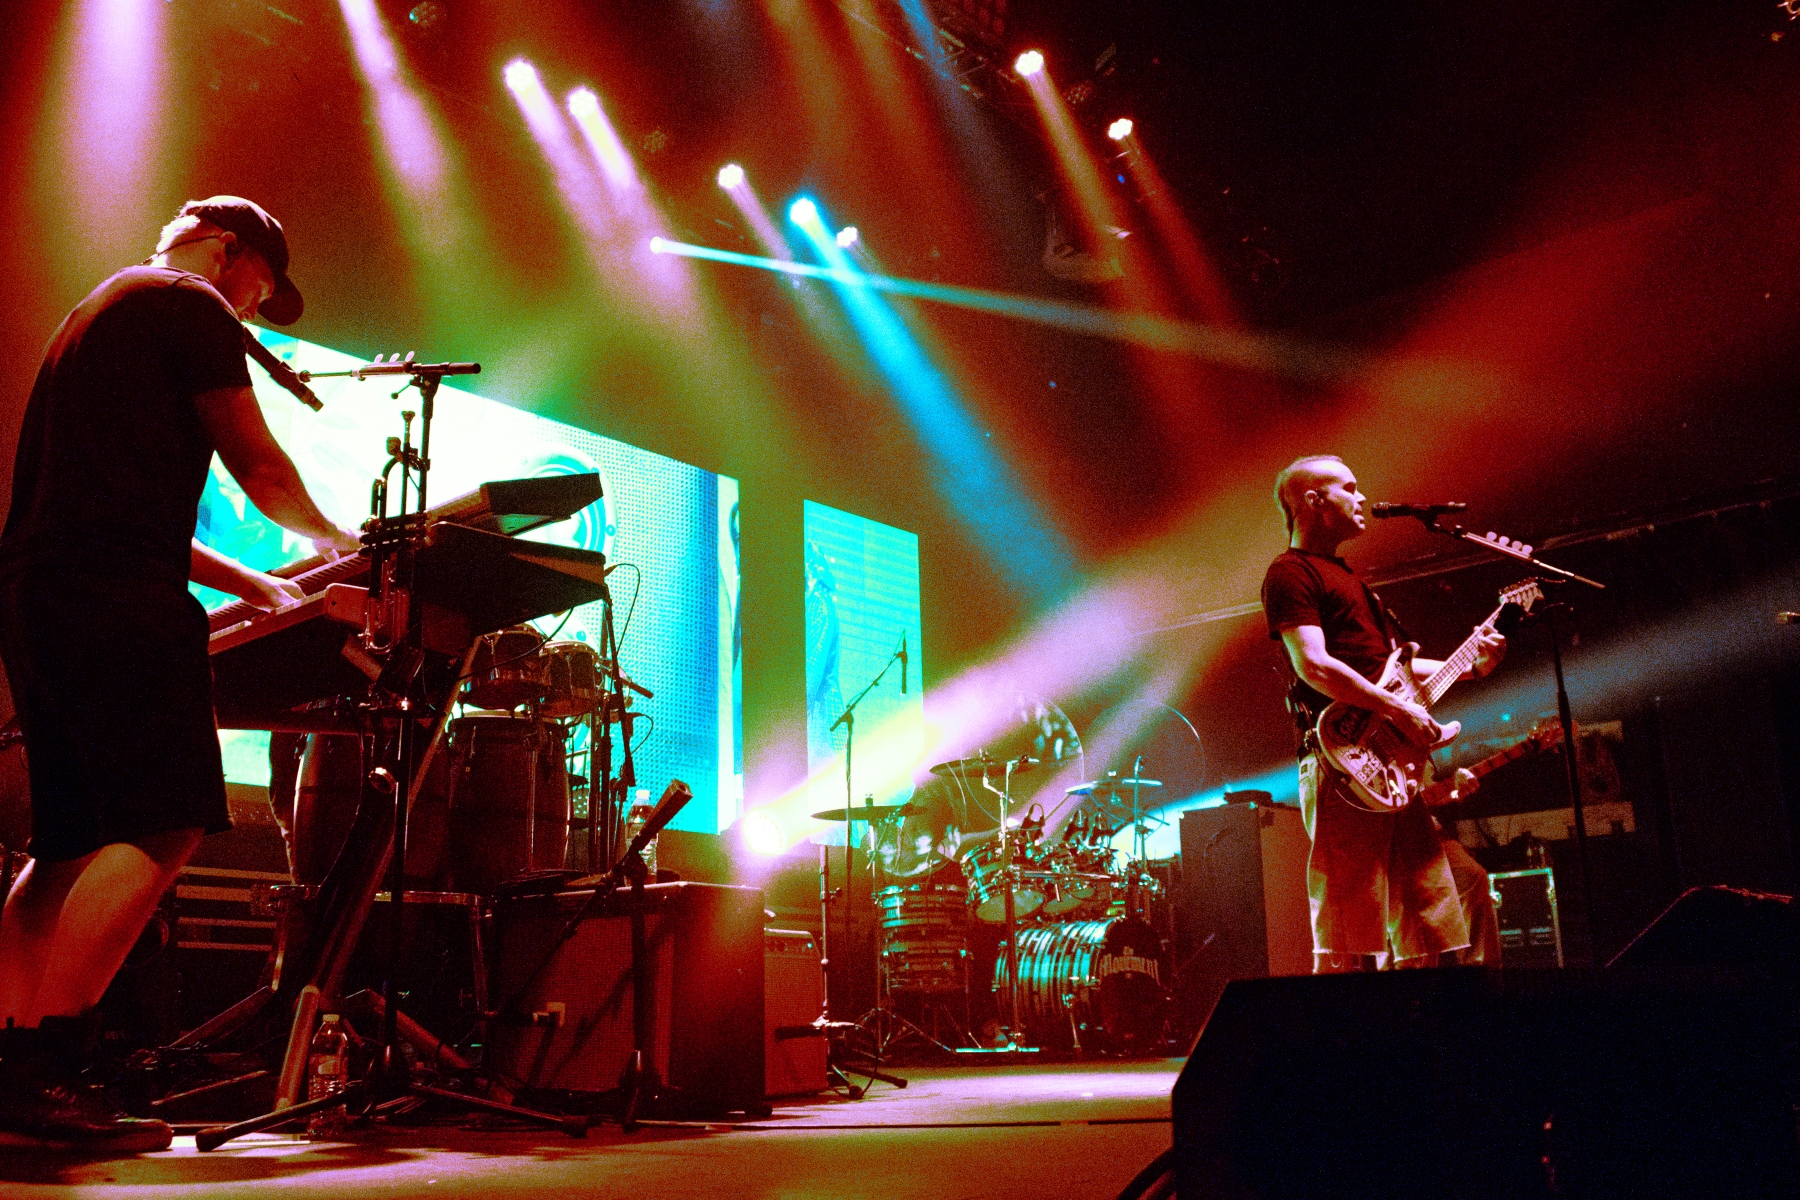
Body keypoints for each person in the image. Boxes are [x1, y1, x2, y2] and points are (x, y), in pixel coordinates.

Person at [0, 196, 361, 1153]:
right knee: (166, 822)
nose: (252, 312)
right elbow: (262, 471)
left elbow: (120, 502)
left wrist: (255, 582)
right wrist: (349, 545)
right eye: (259, 292)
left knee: (65, 846)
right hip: (117, 594)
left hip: (41, 589)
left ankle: (9, 1071)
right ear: (231, 254)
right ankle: (54, 1066)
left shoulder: (102, 310)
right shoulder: (190, 303)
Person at [1260, 455, 1503, 973]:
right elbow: (1314, 665)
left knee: (1429, 923)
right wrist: (1395, 708)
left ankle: (1418, 1020)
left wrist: (1472, 664)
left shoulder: (1352, 579)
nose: (1362, 497)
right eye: (1349, 488)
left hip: (1393, 768)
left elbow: (1395, 670)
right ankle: (1346, 1026)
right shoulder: (1290, 572)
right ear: (1314, 501)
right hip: (1342, 760)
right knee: (1350, 935)